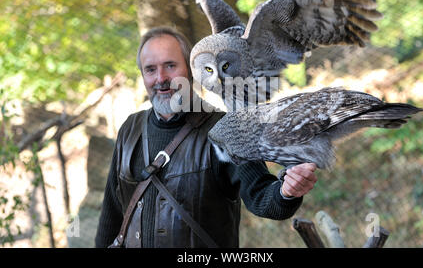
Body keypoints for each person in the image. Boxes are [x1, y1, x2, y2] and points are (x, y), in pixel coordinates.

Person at [95, 27, 318, 248]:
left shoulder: (227, 128)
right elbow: (112, 215)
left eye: (170, 66)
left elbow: (261, 197)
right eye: (150, 70)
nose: (161, 78)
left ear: (191, 70)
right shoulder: (130, 129)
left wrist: (286, 192)